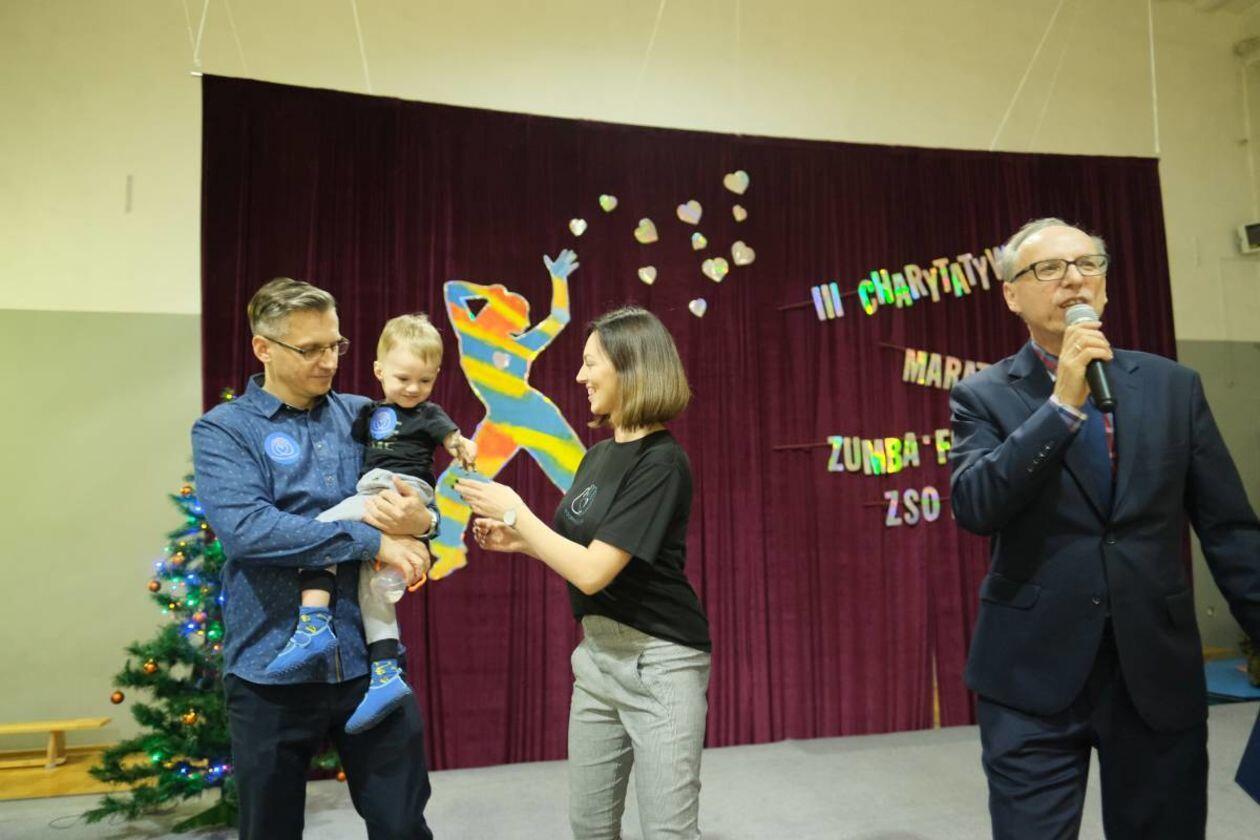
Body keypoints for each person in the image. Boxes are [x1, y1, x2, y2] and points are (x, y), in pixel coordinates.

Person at [949, 217, 1260, 839]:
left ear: (1106, 285)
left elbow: (1228, 528)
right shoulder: (982, 395)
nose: (1073, 279)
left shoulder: (1173, 387)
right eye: (1048, 268)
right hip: (1031, 673)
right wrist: (1061, 405)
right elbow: (977, 506)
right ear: (1011, 294)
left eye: (1087, 264)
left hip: (1154, 666)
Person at [192, 277, 436, 840]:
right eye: (310, 349)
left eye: (335, 345)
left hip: (371, 666)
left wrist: (423, 522)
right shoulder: (225, 430)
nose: (328, 361)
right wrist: (373, 542)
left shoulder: (367, 415)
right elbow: (250, 532)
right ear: (263, 348)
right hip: (270, 666)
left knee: (403, 825)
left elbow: (415, 494)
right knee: (271, 828)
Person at [455, 306, 711, 840]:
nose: (579, 376)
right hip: (596, 660)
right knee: (589, 828)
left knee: (667, 832)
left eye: (591, 363)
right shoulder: (596, 457)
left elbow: (594, 572)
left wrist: (517, 514)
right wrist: (521, 541)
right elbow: (584, 552)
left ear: (631, 367)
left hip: (658, 664)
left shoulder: (662, 462)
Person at [264, 312, 477, 735]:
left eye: (425, 381)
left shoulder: (428, 413)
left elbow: (451, 437)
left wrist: (460, 446)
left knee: (320, 529)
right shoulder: (364, 412)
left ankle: (313, 621)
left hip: (393, 489)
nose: (413, 389)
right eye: (403, 379)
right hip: (380, 491)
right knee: (373, 586)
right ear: (379, 371)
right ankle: (385, 672)